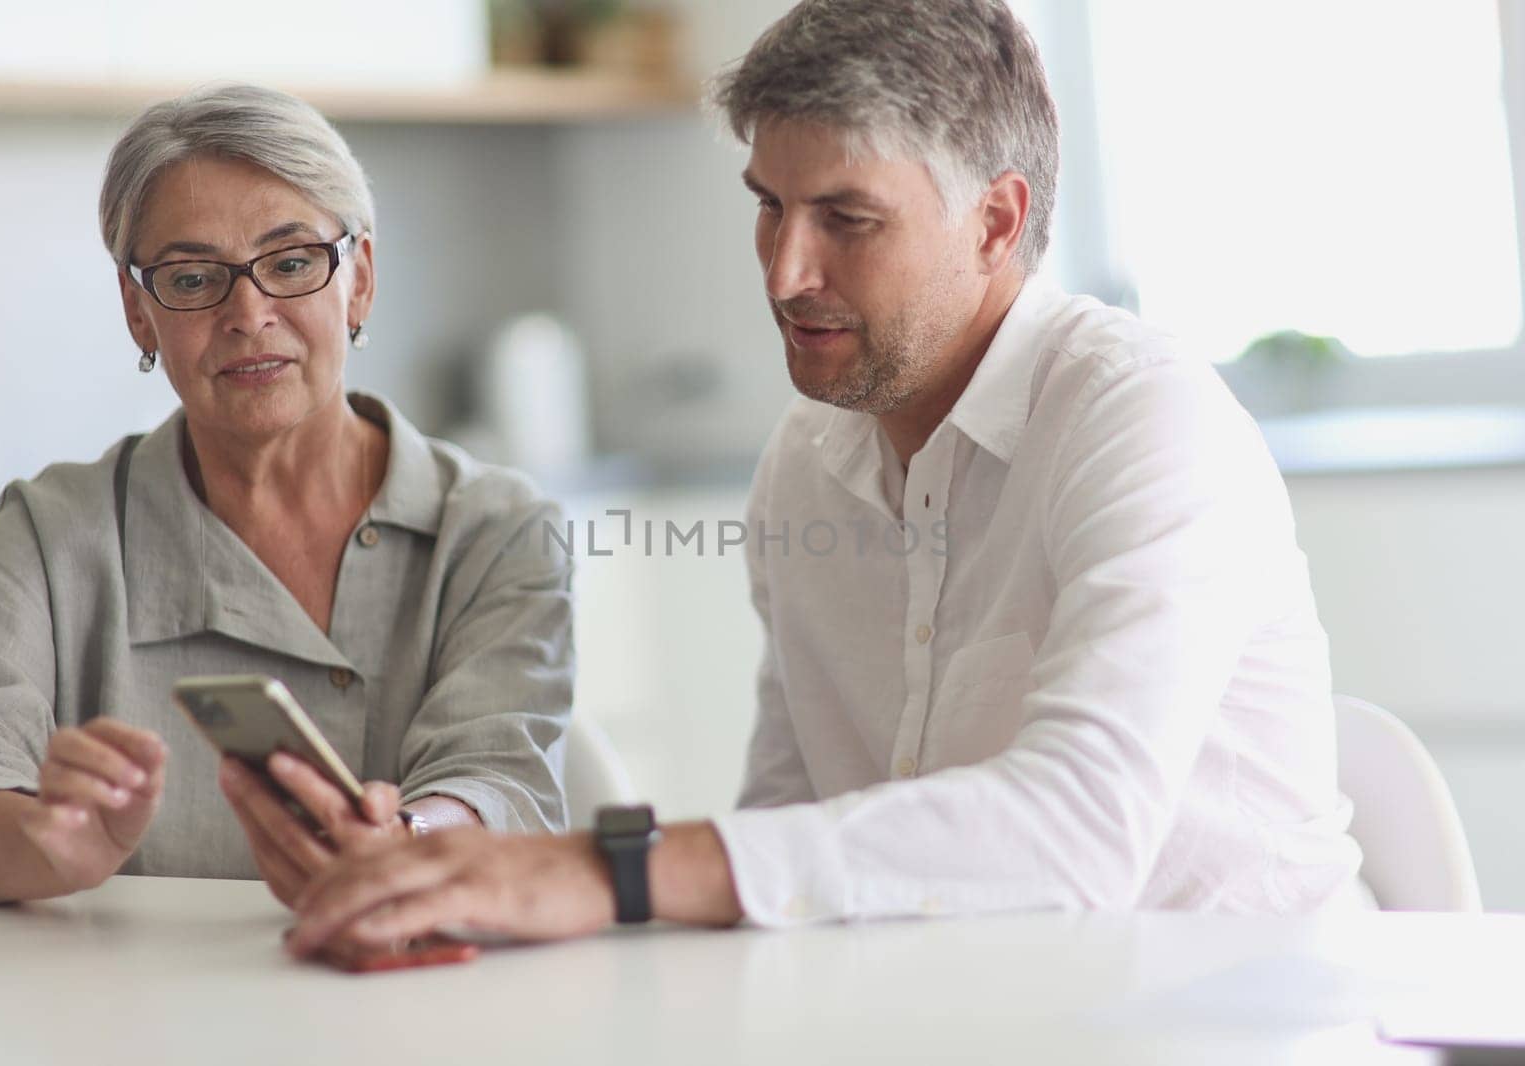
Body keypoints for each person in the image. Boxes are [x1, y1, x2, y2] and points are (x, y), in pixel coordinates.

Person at [284, 0, 1366, 959]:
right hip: (976, 1021)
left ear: (995, 220)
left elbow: (1078, 830)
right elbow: (788, 824)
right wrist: (459, 876)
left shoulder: (1138, 415)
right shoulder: (806, 458)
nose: (785, 272)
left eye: (846, 220)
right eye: (768, 205)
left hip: (1244, 1017)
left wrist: (603, 870)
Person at [0, 84, 573, 907]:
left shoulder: (498, 530)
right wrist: (46, 847)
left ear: (360, 280)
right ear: (139, 313)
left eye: (292, 262)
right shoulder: (46, 539)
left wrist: (401, 846)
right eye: (193, 278)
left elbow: (498, 781)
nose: (248, 313)